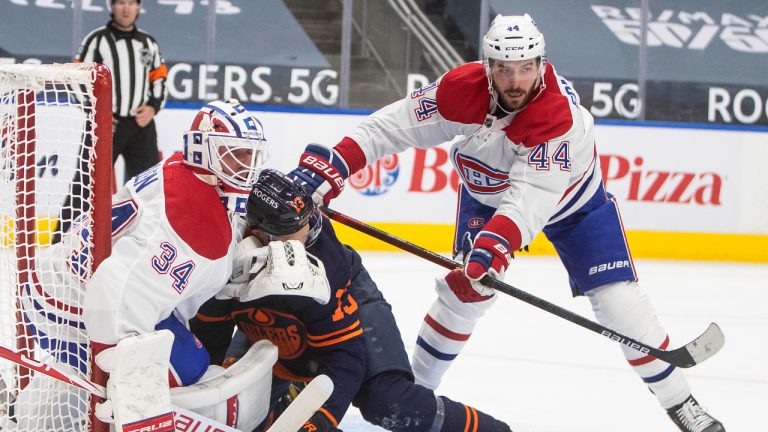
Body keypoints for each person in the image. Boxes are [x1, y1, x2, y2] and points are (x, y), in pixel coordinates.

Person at [287, 13, 725, 432]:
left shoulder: (559, 120)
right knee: (464, 293)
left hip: (575, 207)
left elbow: (530, 200)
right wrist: (338, 161)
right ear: (488, 65)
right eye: (504, 69)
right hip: (487, 195)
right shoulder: (462, 89)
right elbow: (392, 128)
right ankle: (414, 393)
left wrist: (494, 245)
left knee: (620, 307)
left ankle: (681, 401)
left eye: (525, 68)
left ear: (541, 63)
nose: (515, 81)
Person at [191, 169, 512, 432]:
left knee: (388, 401)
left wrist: (317, 422)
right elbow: (209, 341)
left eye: (308, 223)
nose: (309, 235)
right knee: (236, 403)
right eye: (296, 232)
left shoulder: (323, 267)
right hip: (270, 310)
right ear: (257, 235)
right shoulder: (227, 258)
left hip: (342, 308)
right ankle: (293, 393)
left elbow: (345, 361)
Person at [16, 99, 269, 430]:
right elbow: (115, 292)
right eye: (233, 152)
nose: (244, 165)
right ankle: (44, 417)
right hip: (71, 308)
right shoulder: (191, 220)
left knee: (193, 361)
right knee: (189, 372)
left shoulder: (186, 172)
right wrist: (126, 377)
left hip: (69, 282)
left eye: (250, 154)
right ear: (202, 149)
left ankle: (34, 409)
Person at [54, 0, 167, 240]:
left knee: (149, 187)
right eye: (120, 3)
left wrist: (153, 108)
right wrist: (97, 111)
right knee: (86, 183)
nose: (126, 8)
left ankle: (145, 241)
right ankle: (60, 243)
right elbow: (76, 78)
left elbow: (160, 78)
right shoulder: (97, 40)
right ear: (112, 7)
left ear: (138, 8)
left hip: (141, 126)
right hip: (106, 125)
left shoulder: (149, 43)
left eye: (131, 3)